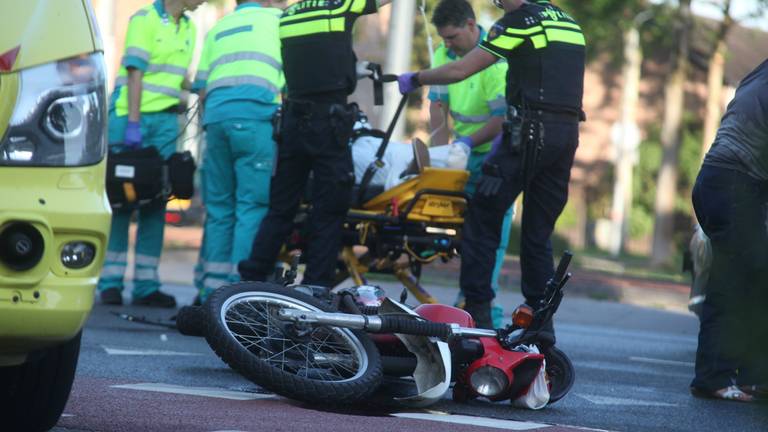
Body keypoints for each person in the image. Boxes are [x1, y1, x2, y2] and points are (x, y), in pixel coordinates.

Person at [398, 0, 585, 330]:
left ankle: (478, 313)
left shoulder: (518, 21)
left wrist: (416, 77)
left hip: (528, 133)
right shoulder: (568, 22)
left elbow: (461, 69)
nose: (498, 5)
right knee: (538, 234)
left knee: (482, 216)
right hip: (566, 137)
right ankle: (540, 327)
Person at [238, 0, 394, 287]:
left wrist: (350, 67)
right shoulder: (339, 6)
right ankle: (315, 289)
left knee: (281, 208)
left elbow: (317, 55)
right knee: (329, 210)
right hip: (328, 124)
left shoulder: (287, 16)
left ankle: (250, 281)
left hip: (293, 123)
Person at [98, 0, 205, 308]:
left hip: (166, 124)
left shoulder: (189, 27)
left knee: (156, 201)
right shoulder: (144, 20)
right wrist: (133, 123)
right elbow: (135, 75)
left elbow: (173, 77)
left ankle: (146, 285)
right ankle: (111, 283)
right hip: (133, 118)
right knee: (121, 199)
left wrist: (197, 85)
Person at [427, 0, 513, 328]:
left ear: (470, 25)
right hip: (463, 156)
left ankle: (483, 311)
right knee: (468, 235)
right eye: (443, 39)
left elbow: (499, 119)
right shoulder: (443, 53)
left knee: (491, 235)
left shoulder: (494, 60)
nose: (447, 44)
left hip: (495, 155)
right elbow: (438, 105)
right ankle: (468, 302)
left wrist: (464, 143)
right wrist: (439, 160)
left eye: (452, 37)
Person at [191, 0, 284, 303]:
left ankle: (211, 290)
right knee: (251, 206)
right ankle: (238, 293)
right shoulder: (278, 20)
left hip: (216, 121)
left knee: (219, 209)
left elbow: (202, 87)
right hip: (256, 119)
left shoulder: (219, 26)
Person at [689, 59, 768, 403]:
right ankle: (714, 379)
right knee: (732, 285)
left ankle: (751, 377)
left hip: (719, 181)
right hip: (735, 185)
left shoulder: (760, 73)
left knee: (753, 281)